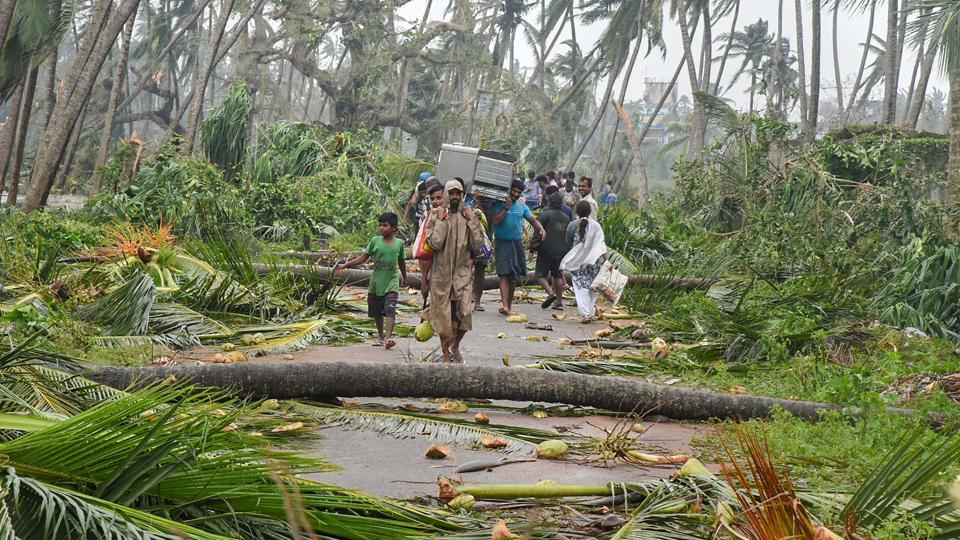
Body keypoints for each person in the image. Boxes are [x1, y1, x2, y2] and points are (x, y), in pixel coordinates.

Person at [422, 180, 484, 363]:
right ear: (447, 195)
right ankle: (446, 353)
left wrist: (472, 220)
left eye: (458, 193)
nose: (455, 196)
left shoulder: (469, 216)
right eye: (452, 193)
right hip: (441, 274)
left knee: (465, 312)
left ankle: (455, 345)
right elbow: (435, 243)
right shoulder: (435, 216)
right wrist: (441, 220)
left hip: (462, 274)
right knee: (444, 316)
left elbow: (477, 244)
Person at [334, 212, 408, 349]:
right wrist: (345, 265)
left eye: (385, 225)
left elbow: (401, 261)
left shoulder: (399, 244)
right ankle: (380, 337)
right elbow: (363, 258)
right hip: (376, 283)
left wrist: (404, 276)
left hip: (392, 282)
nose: (381, 228)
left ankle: (388, 338)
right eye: (380, 225)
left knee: (390, 309)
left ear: (393, 228)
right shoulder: (375, 241)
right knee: (377, 311)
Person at [490, 180, 547, 315]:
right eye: (513, 191)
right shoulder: (499, 204)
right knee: (503, 274)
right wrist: (506, 208)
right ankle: (504, 305)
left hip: (516, 243)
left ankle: (509, 306)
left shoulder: (522, 206)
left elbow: (532, 220)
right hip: (502, 242)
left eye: (518, 193)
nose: (515, 194)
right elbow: (495, 221)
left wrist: (541, 229)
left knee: (514, 277)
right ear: (509, 190)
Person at [561, 200, 608, 323]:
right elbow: (601, 245)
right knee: (593, 287)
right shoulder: (596, 226)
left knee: (580, 287)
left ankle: (586, 313)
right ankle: (590, 312)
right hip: (595, 262)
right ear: (590, 211)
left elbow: (568, 242)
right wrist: (607, 262)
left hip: (579, 262)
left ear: (576, 211)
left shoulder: (572, 225)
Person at [536, 191, 571, 310]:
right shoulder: (566, 218)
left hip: (546, 249)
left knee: (540, 275)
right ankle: (559, 303)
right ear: (561, 203)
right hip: (561, 251)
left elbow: (538, 232)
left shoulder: (545, 214)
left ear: (549, 202)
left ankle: (551, 294)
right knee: (557, 276)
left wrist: (533, 247)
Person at [418, 182, 447, 304]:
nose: (435, 202)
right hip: (438, 270)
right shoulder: (431, 218)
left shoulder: (460, 216)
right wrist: (424, 281)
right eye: (433, 199)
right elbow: (429, 248)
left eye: (439, 198)